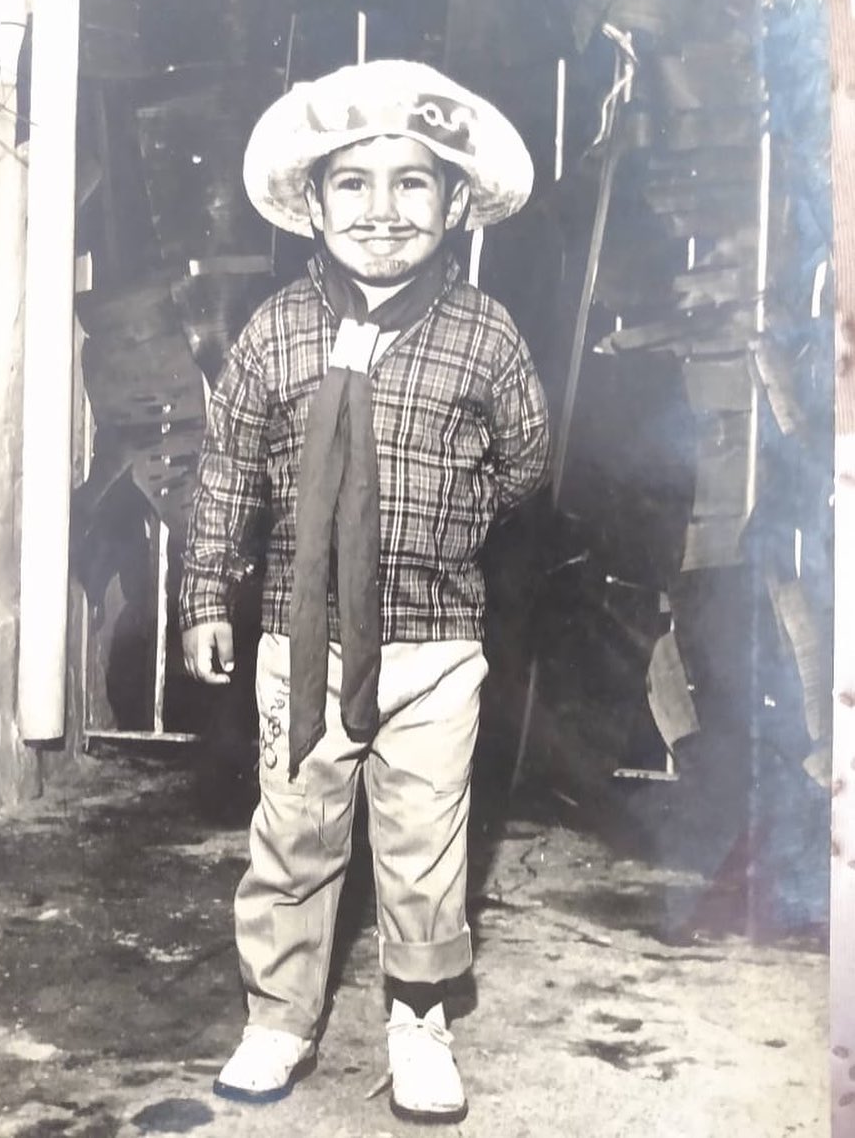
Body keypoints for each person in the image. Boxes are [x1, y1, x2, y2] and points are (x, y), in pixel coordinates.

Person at [178, 59, 550, 1124]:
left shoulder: (485, 333)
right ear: (311, 203)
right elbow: (227, 473)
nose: (382, 210)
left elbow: (524, 461)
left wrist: (449, 522)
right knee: (293, 832)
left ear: (456, 203)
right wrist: (204, 596)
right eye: (352, 182)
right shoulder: (273, 332)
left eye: (412, 182)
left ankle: (418, 1019)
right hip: (302, 648)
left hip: (435, 646)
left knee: (424, 842)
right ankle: (277, 1016)